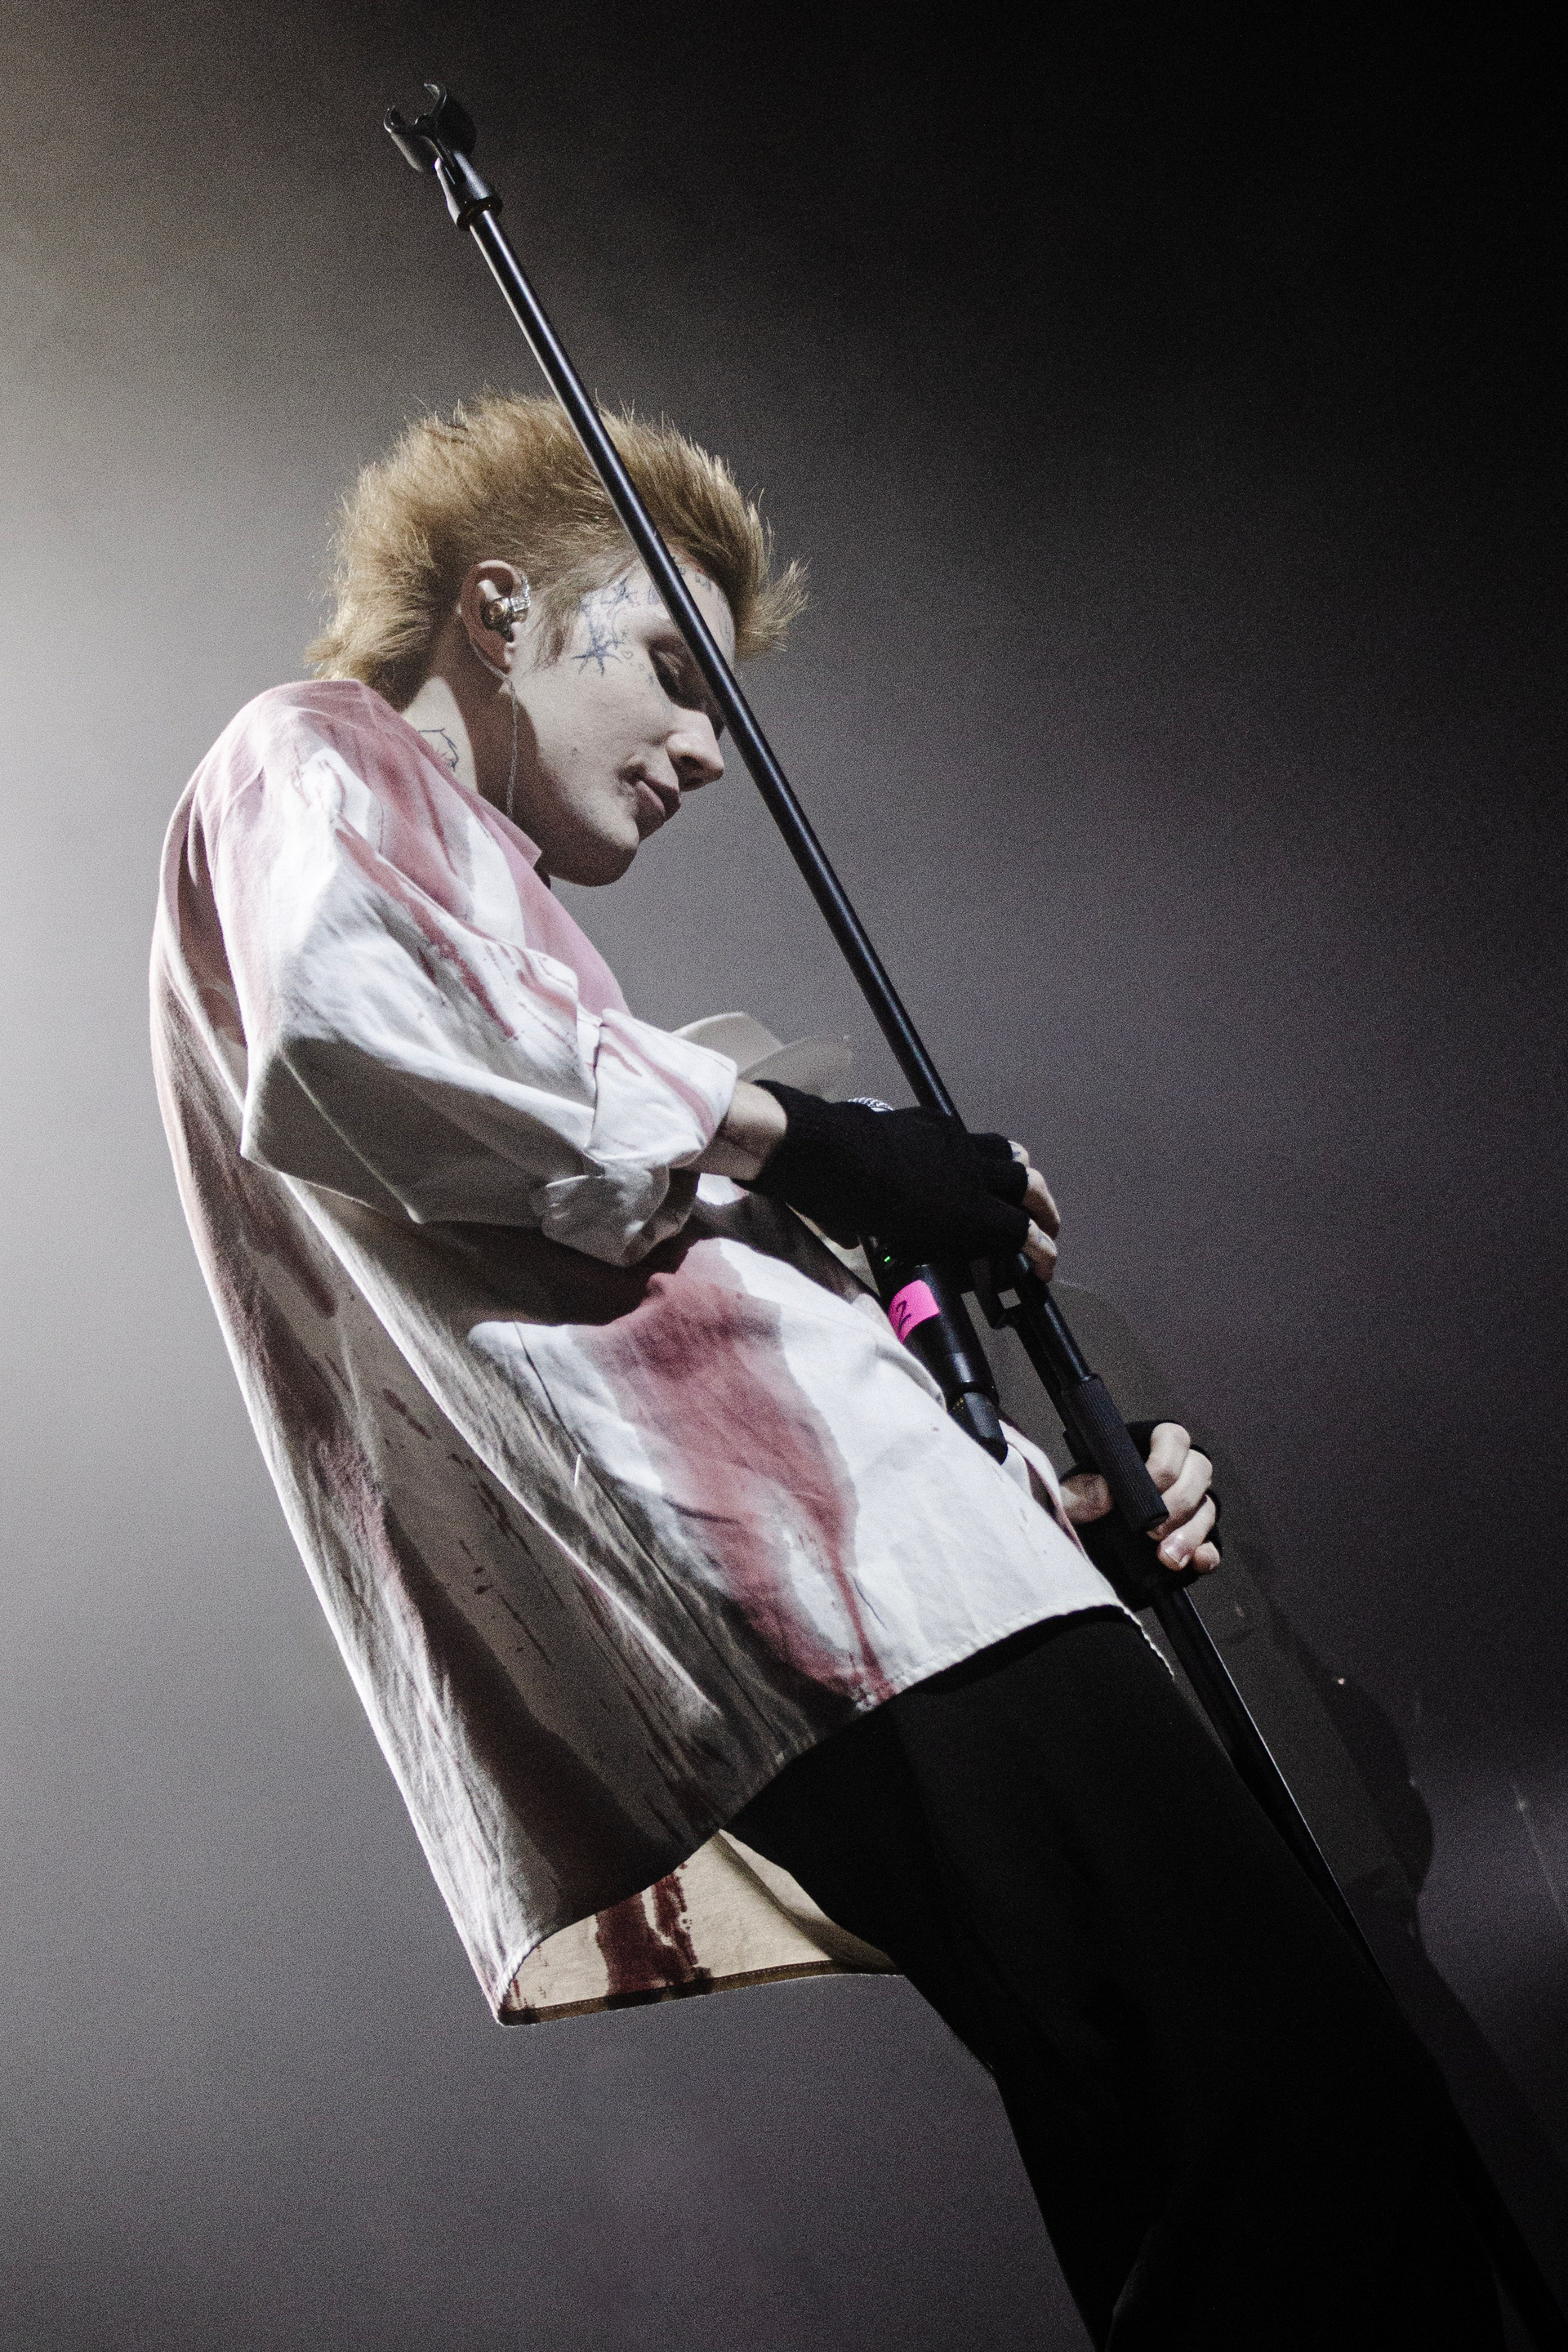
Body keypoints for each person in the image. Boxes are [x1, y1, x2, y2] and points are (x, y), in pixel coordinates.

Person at [151, 394, 1499, 2346]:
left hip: (891, 1599)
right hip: (852, 1618)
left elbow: (650, 1283)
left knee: (1212, 2148)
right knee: (1306, 2107)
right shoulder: (312, 754)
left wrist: (1040, 1515)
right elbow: (363, 1034)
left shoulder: (502, 910)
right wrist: (820, 1143)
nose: (709, 745)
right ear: (499, 611)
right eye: (672, 670)